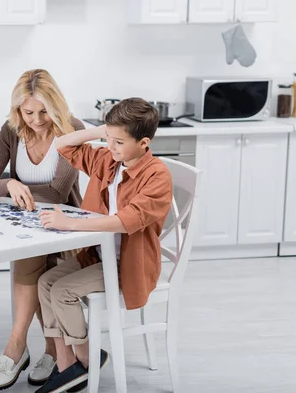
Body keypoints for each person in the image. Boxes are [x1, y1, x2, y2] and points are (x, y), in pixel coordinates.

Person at [34, 98, 173, 393]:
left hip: (128, 267)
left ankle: (85, 361)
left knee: (62, 290)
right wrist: (102, 131)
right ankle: (67, 364)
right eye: (108, 139)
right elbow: (63, 145)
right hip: (99, 256)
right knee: (45, 282)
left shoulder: (157, 176)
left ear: (144, 143)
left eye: (119, 141)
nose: (111, 146)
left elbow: (126, 220)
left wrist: (70, 224)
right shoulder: (110, 158)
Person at [0, 69, 84, 390]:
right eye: (28, 112)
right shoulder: (11, 131)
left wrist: (11, 188)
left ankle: (16, 348)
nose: (37, 120)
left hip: (69, 229)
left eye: (43, 111)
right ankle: (44, 350)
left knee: (35, 264)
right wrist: (8, 183)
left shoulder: (72, 130)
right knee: (30, 256)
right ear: (18, 110)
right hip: (26, 227)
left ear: (57, 105)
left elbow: (56, 193)